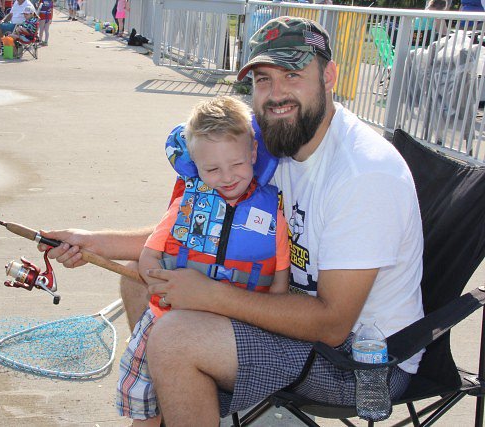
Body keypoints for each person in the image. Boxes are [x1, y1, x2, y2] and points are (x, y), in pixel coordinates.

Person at [40, 16, 424, 424]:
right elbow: (199, 233)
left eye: (292, 74)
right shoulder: (275, 142)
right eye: (262, 80)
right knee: (138, 278)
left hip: (360, 361)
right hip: (294, 307)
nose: (276, 95)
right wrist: (93, 242)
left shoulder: (363, 174)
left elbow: (332, 324)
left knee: (174, 338)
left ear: (329, 75)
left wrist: (210, 296)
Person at [115, 96, 290, 426]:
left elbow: (279, 288)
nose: (226, 177)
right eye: (212, 169)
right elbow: (149, 256)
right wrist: (164, 288)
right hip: (170, 315)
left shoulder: (272, 220)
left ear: (253, 153)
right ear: (195, 166)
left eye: (237, 164)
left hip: (236, 328)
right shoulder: (184, 208)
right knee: (147, 409)